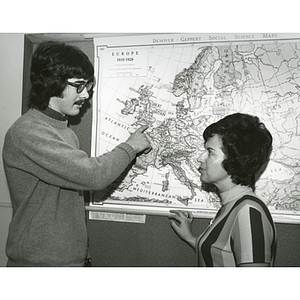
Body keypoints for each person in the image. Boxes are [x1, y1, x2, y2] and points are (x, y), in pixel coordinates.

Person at [2, 41, 152, 266]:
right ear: (52, 83)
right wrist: (130, 147)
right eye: (78, 86)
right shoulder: (28, 132)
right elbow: (93, 176)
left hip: (68, 261)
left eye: (88, 86)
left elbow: (68, 203)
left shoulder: (65, 132)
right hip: (39, 265)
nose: (86, 95)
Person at [169, 113, 276, 267]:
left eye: (210, 152)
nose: (200, 157)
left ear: (234, 159)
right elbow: (221, 258)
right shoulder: (232, 205)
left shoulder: (248, 212)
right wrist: (191, 238)